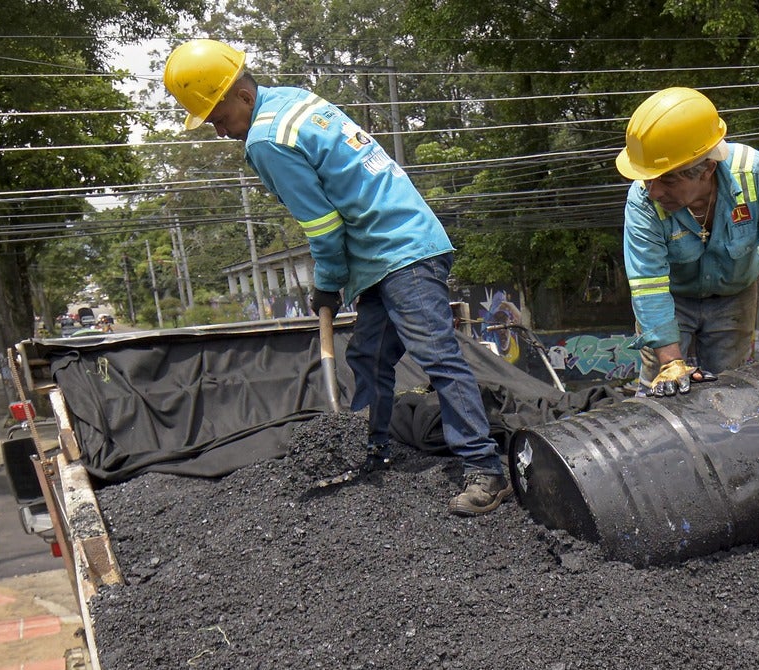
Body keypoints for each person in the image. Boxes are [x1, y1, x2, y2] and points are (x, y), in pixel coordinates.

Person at [163, 40, 511, 517]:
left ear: (243, 95)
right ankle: (374, 451)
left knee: (437, 356)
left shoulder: (266, 139)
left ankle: (485, 469)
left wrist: (327, 284)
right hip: (388, 251)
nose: (221, 131)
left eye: (220, 118)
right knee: (369, 357)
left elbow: (323, 226)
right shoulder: (292, 99)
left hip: (400, 250)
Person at [615, 87, 759, 397]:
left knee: (728, 390)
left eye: (667, 179)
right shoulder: (643, 202)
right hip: (670, 300)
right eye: (647, 178)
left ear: (707, 168)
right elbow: (648, 284)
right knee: (662, 390)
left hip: (735, 295)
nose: (654, 191)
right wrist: (670, 363)